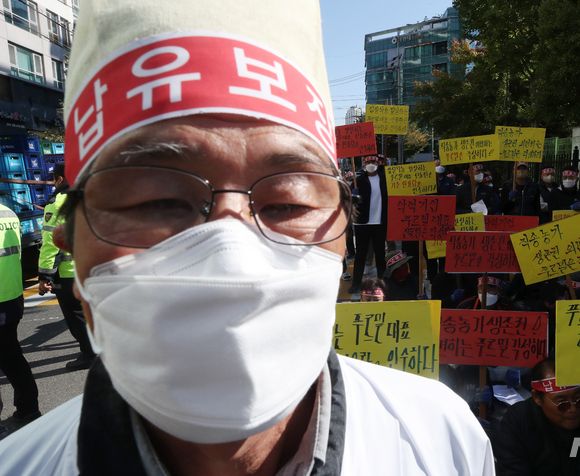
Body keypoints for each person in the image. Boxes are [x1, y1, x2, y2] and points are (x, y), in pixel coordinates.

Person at [0, 2, 494, 474]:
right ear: (69, 241)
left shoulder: (443, 443)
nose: (231, 256)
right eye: (156, 201)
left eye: (288, 204)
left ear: (344, 231)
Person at [493, 359, 580, 476]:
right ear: (537, 398)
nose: (573, 409)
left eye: (579, 400)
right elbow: (512, 470)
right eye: (562, 404)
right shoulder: (518, 422)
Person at [38, 163, 96, 370]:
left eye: (54, 178)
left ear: (60, 179)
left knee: (76, 317)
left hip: (69, 273)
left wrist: (44, 276)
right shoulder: (91, 197)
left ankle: (90, 356)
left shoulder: (57, 203)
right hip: (93, 269)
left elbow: (50, 244)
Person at [0, 204, 40, 429]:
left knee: (9, 355)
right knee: (11, 355)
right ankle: (28, 408)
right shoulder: (8, 212)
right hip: (12, 296)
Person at [348, 155, 388, 294]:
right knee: (360, 255)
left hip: (379, 223)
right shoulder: (357, 181)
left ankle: (383, 282)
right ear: (365, 164)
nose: (371, 164)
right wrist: (354, 197)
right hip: (362, 224)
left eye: (373, 162)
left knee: (380, 255)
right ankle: (356, 283)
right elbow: (351, 203)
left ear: (378, 164)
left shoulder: (385, 180)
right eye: (368, 162)